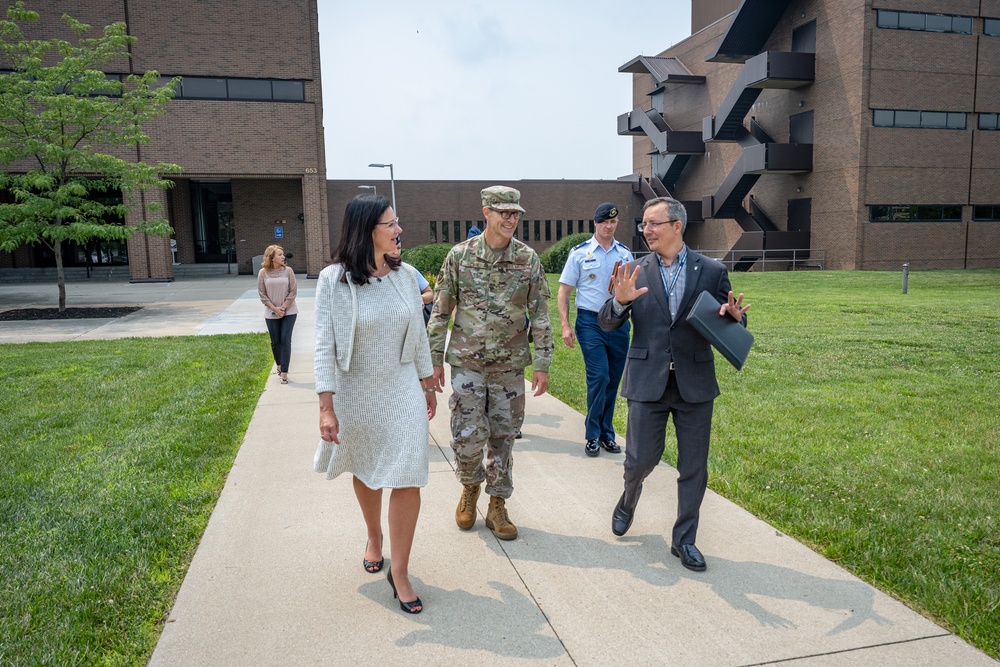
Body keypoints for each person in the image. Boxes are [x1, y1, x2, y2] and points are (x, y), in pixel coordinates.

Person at [599, 196, 749, 572]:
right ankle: (628, 498)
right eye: (644, 225)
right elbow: (606, 322)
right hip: (647, 381)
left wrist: (734, 319)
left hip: (694, 383)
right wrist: (618, 303)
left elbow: (728, 324)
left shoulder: (712, 270)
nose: (645, 230)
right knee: (639, 461)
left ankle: (684, 540)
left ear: (677, 226)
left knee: (694, 467)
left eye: (653, 224)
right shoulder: (633, 269)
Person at [313, 194, 437, 614]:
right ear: (367, 230)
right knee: (366, 466)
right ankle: (374, 536)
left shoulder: (405, 277)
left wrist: (427, 382)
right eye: (391, 224)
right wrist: (325, 406)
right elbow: (322, 346)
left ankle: (399, 571)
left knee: (408, 473)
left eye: (397, 222)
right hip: (356, 391)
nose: (399, 230)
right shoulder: (333, 280)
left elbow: (418, 334)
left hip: (401, 386)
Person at [428, 185, 553, 541]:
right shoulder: (459, 256)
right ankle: (470, 488)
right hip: (467, 362)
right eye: (504, 213)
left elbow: (540, 315)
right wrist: (434, 360)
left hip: (509, 366)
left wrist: (542, 363)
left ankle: (497, 503)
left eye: (515, 214)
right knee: (466, 438)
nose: (511, 219)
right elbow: (440, 312)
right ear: (486, 213)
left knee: (504, 438)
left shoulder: (527, 259)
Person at [558, 202, 633, 457]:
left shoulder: (624, 254)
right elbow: (564, 292)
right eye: (604, 222)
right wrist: (566, 325)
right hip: (590, 322)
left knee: (613, 379)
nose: (609, 226)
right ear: (596, 224)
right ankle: (592, 435)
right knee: (599, 376)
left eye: (613, 222)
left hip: (620, 320)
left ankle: (606, 434)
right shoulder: (579, 253)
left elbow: (633, 289)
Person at [257, 245, 298, 384]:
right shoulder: (263, 273)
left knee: (286, 340)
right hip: (271, 312)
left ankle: (284, 373)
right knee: (276, 342)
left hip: (289, 311)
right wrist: (275, 309)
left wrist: (283, 308)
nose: (283, 256)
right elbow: (262, 294)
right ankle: (279, 364)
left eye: (283, 254)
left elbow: (293, 292)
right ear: (272, 257)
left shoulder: (288, 271)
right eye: (280, 254)